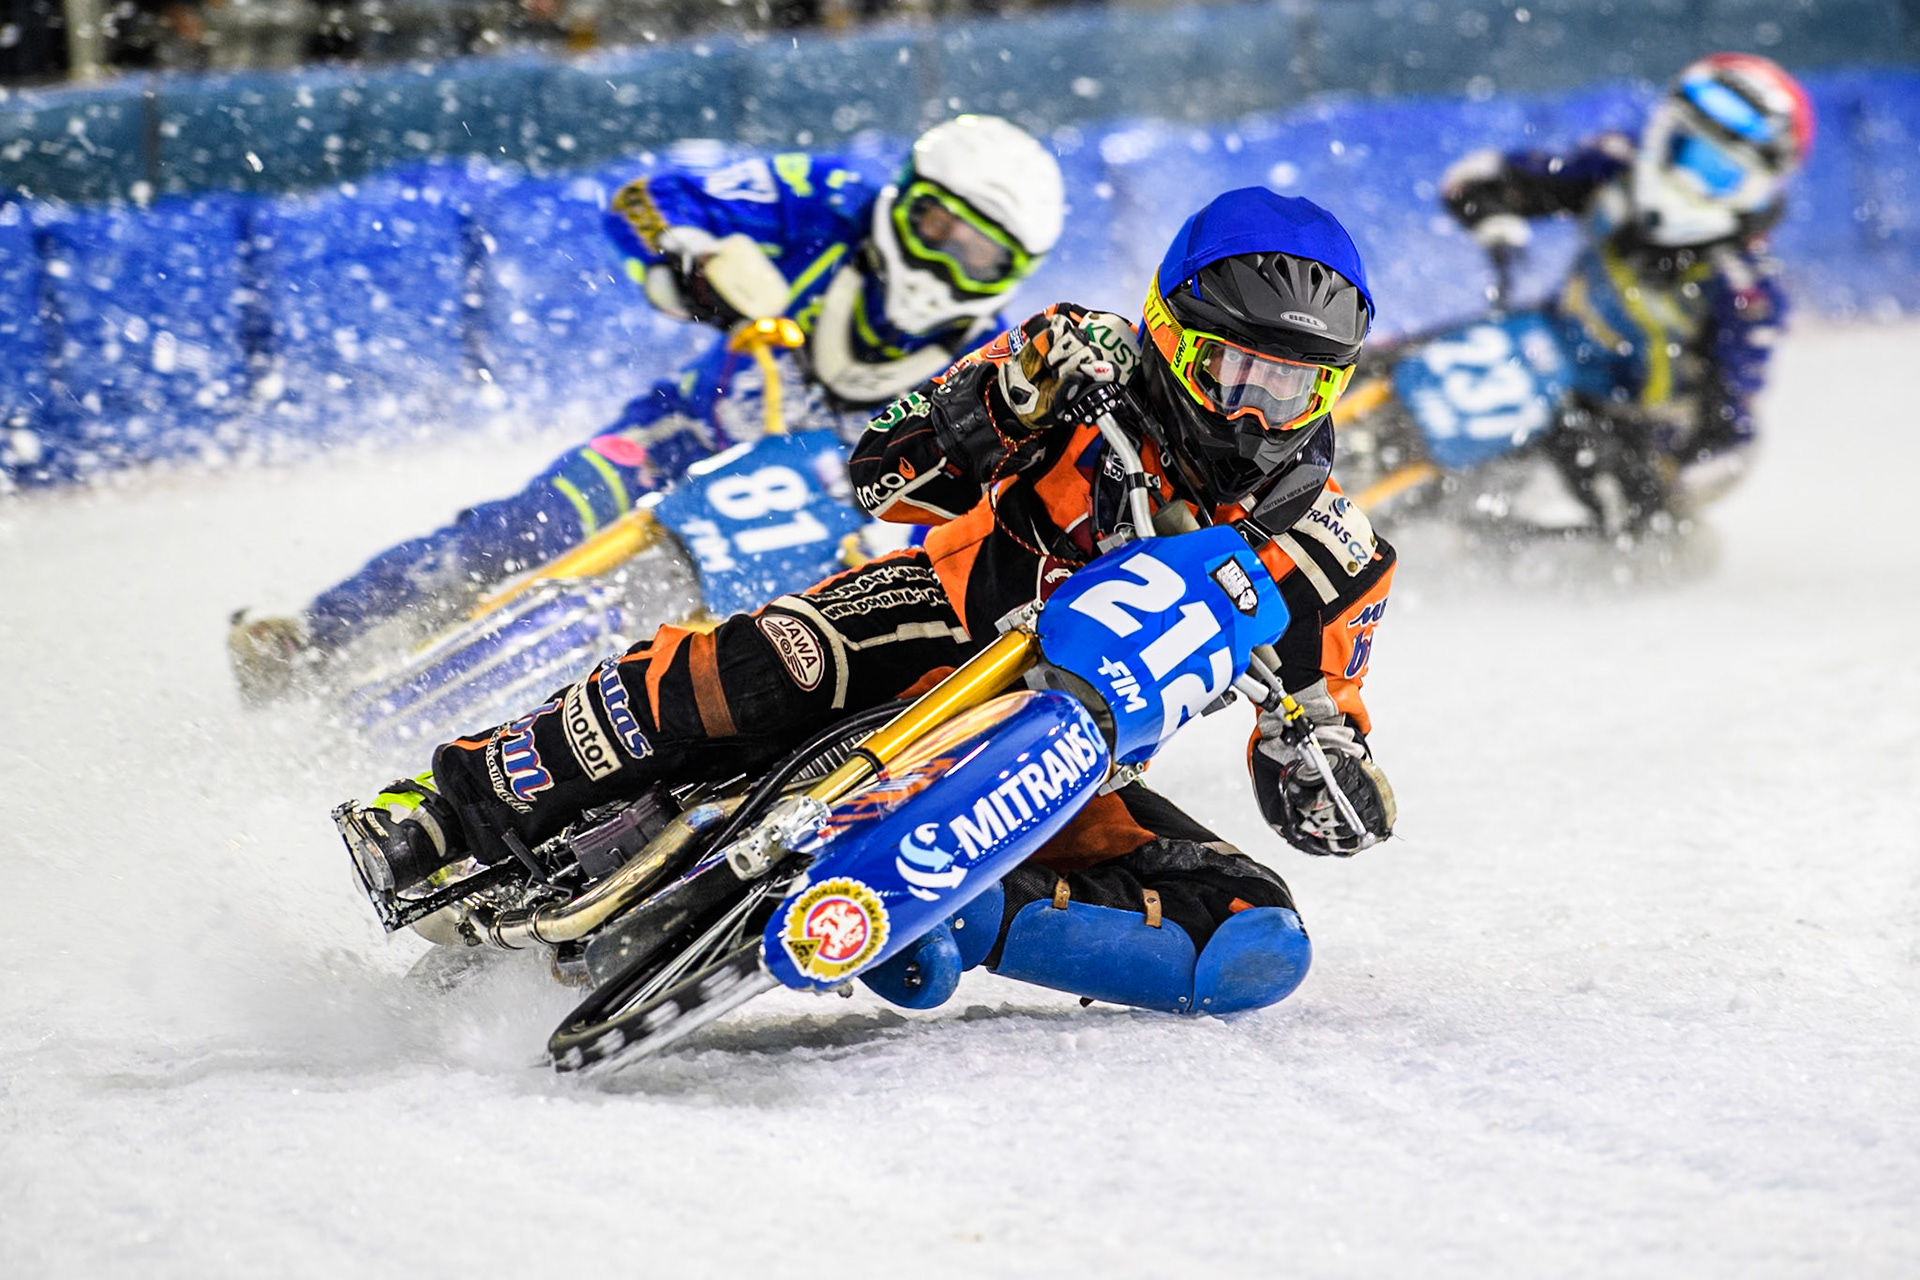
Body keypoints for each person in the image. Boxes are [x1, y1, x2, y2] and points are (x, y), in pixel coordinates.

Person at [342, 188, 1398, 1018]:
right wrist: (1010, 396)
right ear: (1168, 331)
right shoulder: (1080, 350)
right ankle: (449, 805)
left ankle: (949, 912)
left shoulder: (1337, 551)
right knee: (758, 666)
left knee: (1255, 933)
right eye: (1236, 372)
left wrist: (1325, 764)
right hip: (933, 614)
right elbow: (883, 475)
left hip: (1066, 748)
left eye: (1298, 387)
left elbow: (1319, 747)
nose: (1262, 413)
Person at [228, 114, 1065, 700]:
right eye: (935, 225)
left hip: (815, 532)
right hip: (681, 435)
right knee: (523, 527)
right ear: (900, 199)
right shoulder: (825, 196)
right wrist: (700, 264)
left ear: (1011, 273)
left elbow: (959, 516)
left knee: (733, 674)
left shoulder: (989, 366)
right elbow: (642, 201)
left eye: (979, 254)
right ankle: (311, 638)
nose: (946, 262)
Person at [1437, 52, 1812, 531]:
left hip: (1623, 423)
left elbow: (1728, 423)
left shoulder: (1745, 288)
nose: (1690, 183)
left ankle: (1481, 551)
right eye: (1688, 153)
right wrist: (1491, 210)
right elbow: (1501, 179)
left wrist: (1674, 471)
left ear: (1756, 188)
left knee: (1661, 543)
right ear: (1664, 132)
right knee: (1375, 361)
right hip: (1535, 343)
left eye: (1720, 174)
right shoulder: (1618, 166)